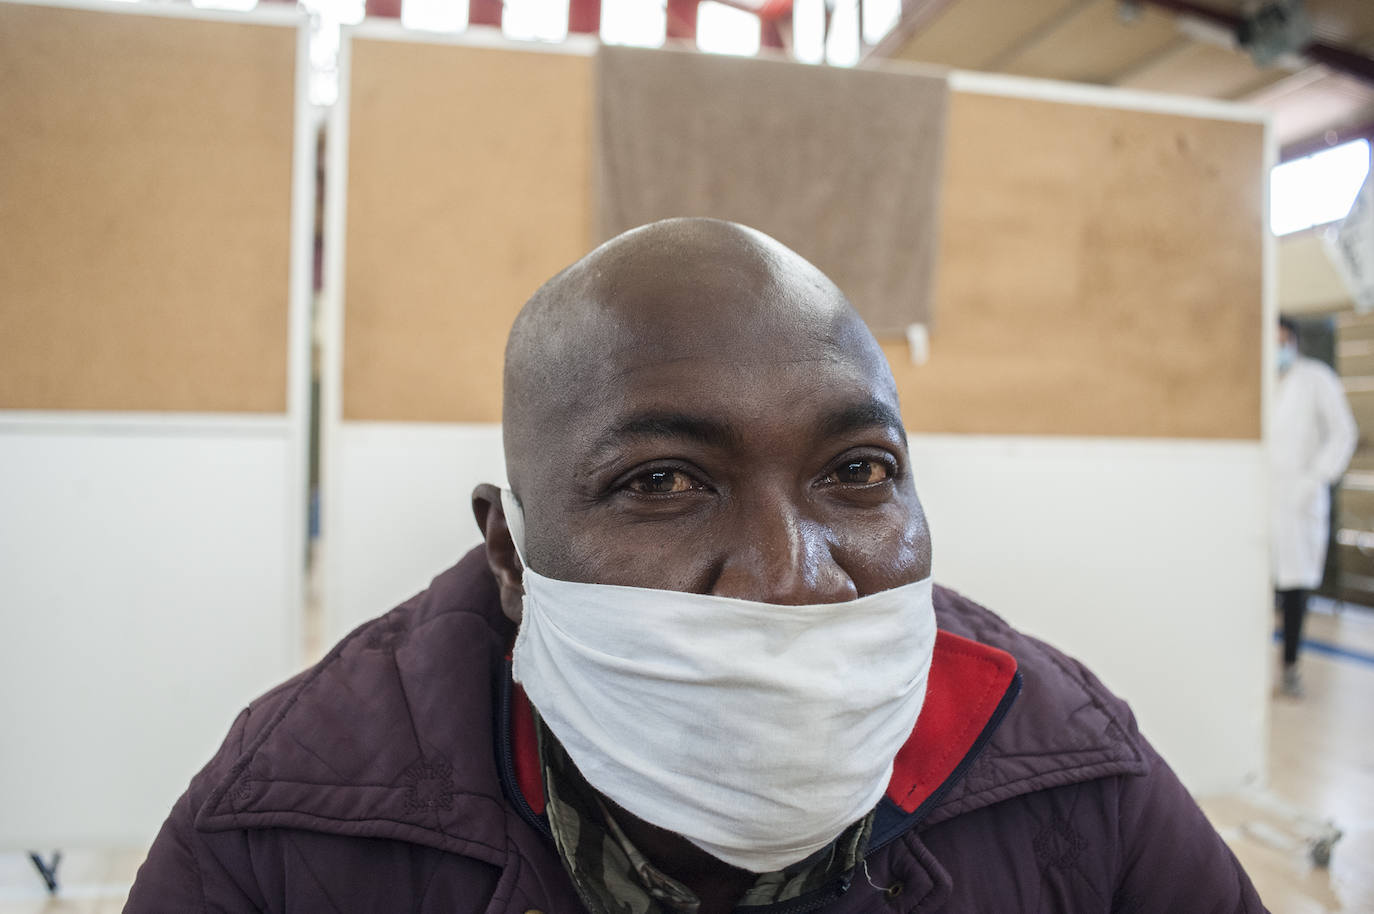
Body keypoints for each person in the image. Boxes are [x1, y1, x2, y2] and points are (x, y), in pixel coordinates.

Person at [126, 219, 1266, 912]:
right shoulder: (286, 834)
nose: (792, 574)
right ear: (509, 553)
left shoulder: (1067, 770)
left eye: (858, 470)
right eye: (663, 481)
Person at [1272, 316, 1358, 697]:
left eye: (1282, 340)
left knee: (1295, 592)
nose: (1277, 349)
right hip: (1264, 501)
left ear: (1294, 341)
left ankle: (1290, 667)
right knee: (1258, 590)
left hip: (1299, 498)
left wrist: (1315, 478)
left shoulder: (1315, 379)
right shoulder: (1260, 380)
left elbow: (1343, 434)